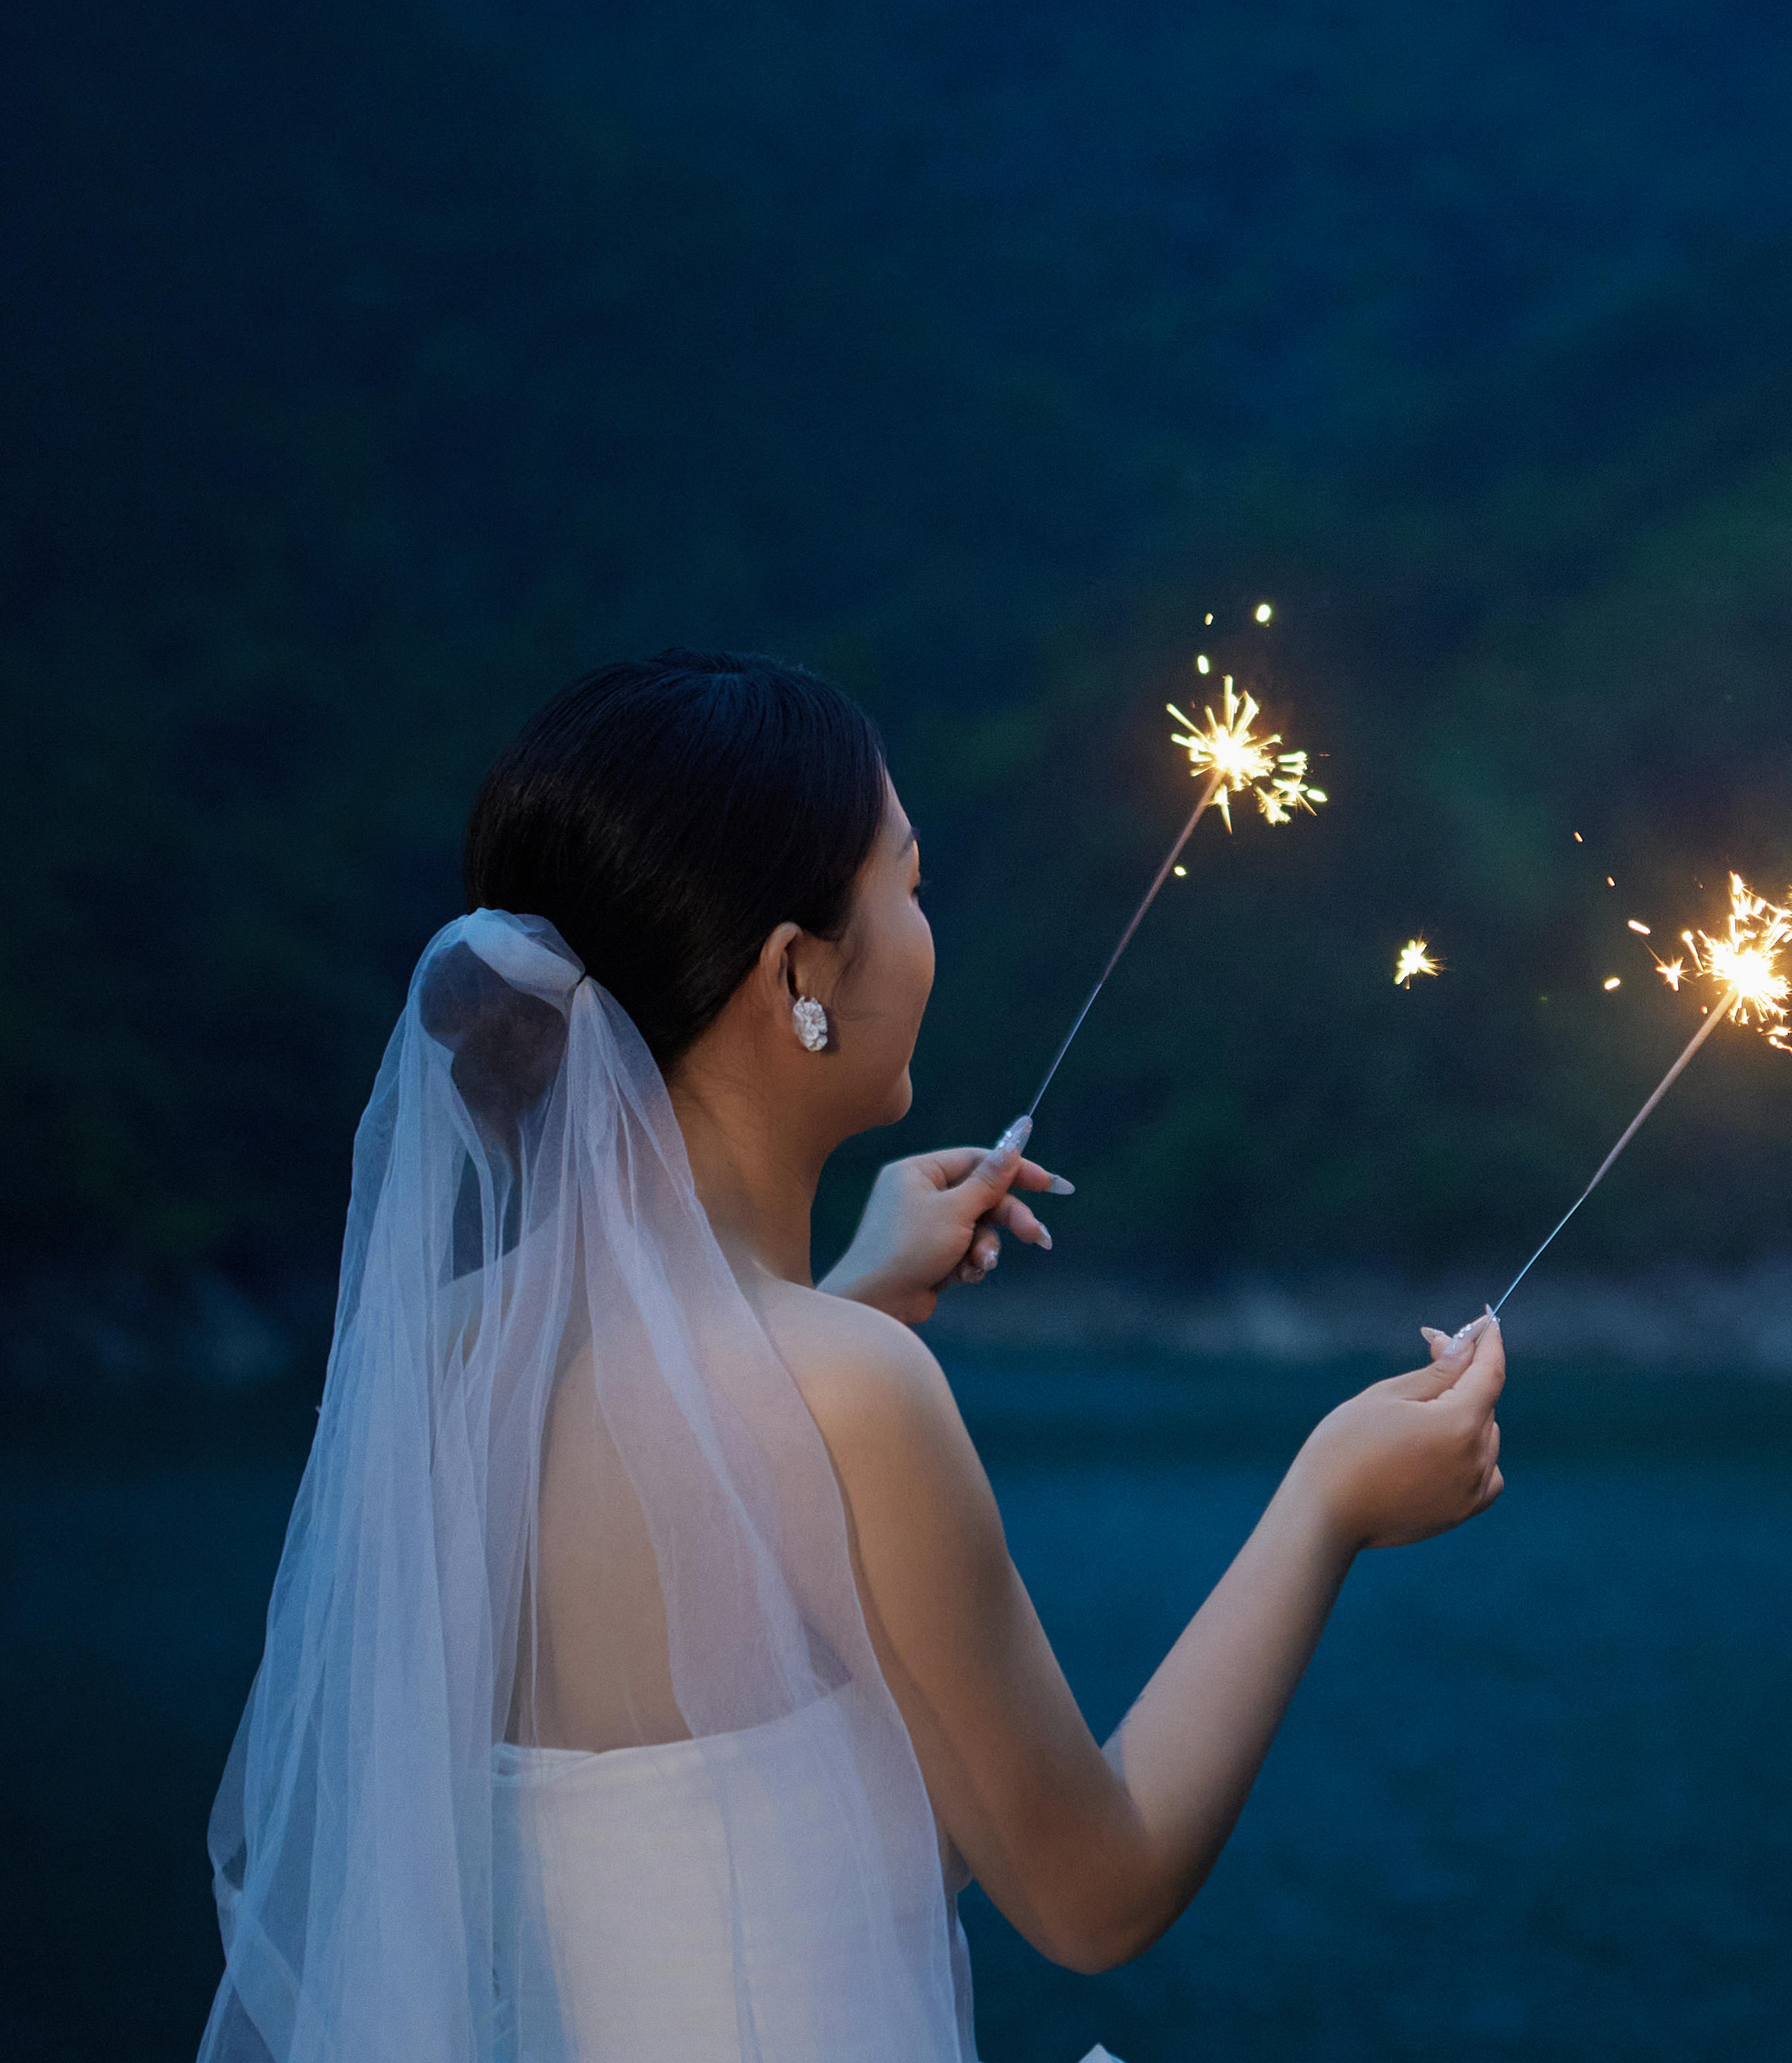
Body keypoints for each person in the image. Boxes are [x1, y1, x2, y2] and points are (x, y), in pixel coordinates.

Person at [201, 651, 1507, 2062]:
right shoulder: (853, 1393)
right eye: (911, 879)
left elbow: (726, 1635)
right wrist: (1330, 1502)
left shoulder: (454, 1354)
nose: (926, 925)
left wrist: (849, 1293)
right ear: (799, 973)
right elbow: (1091, 1891)